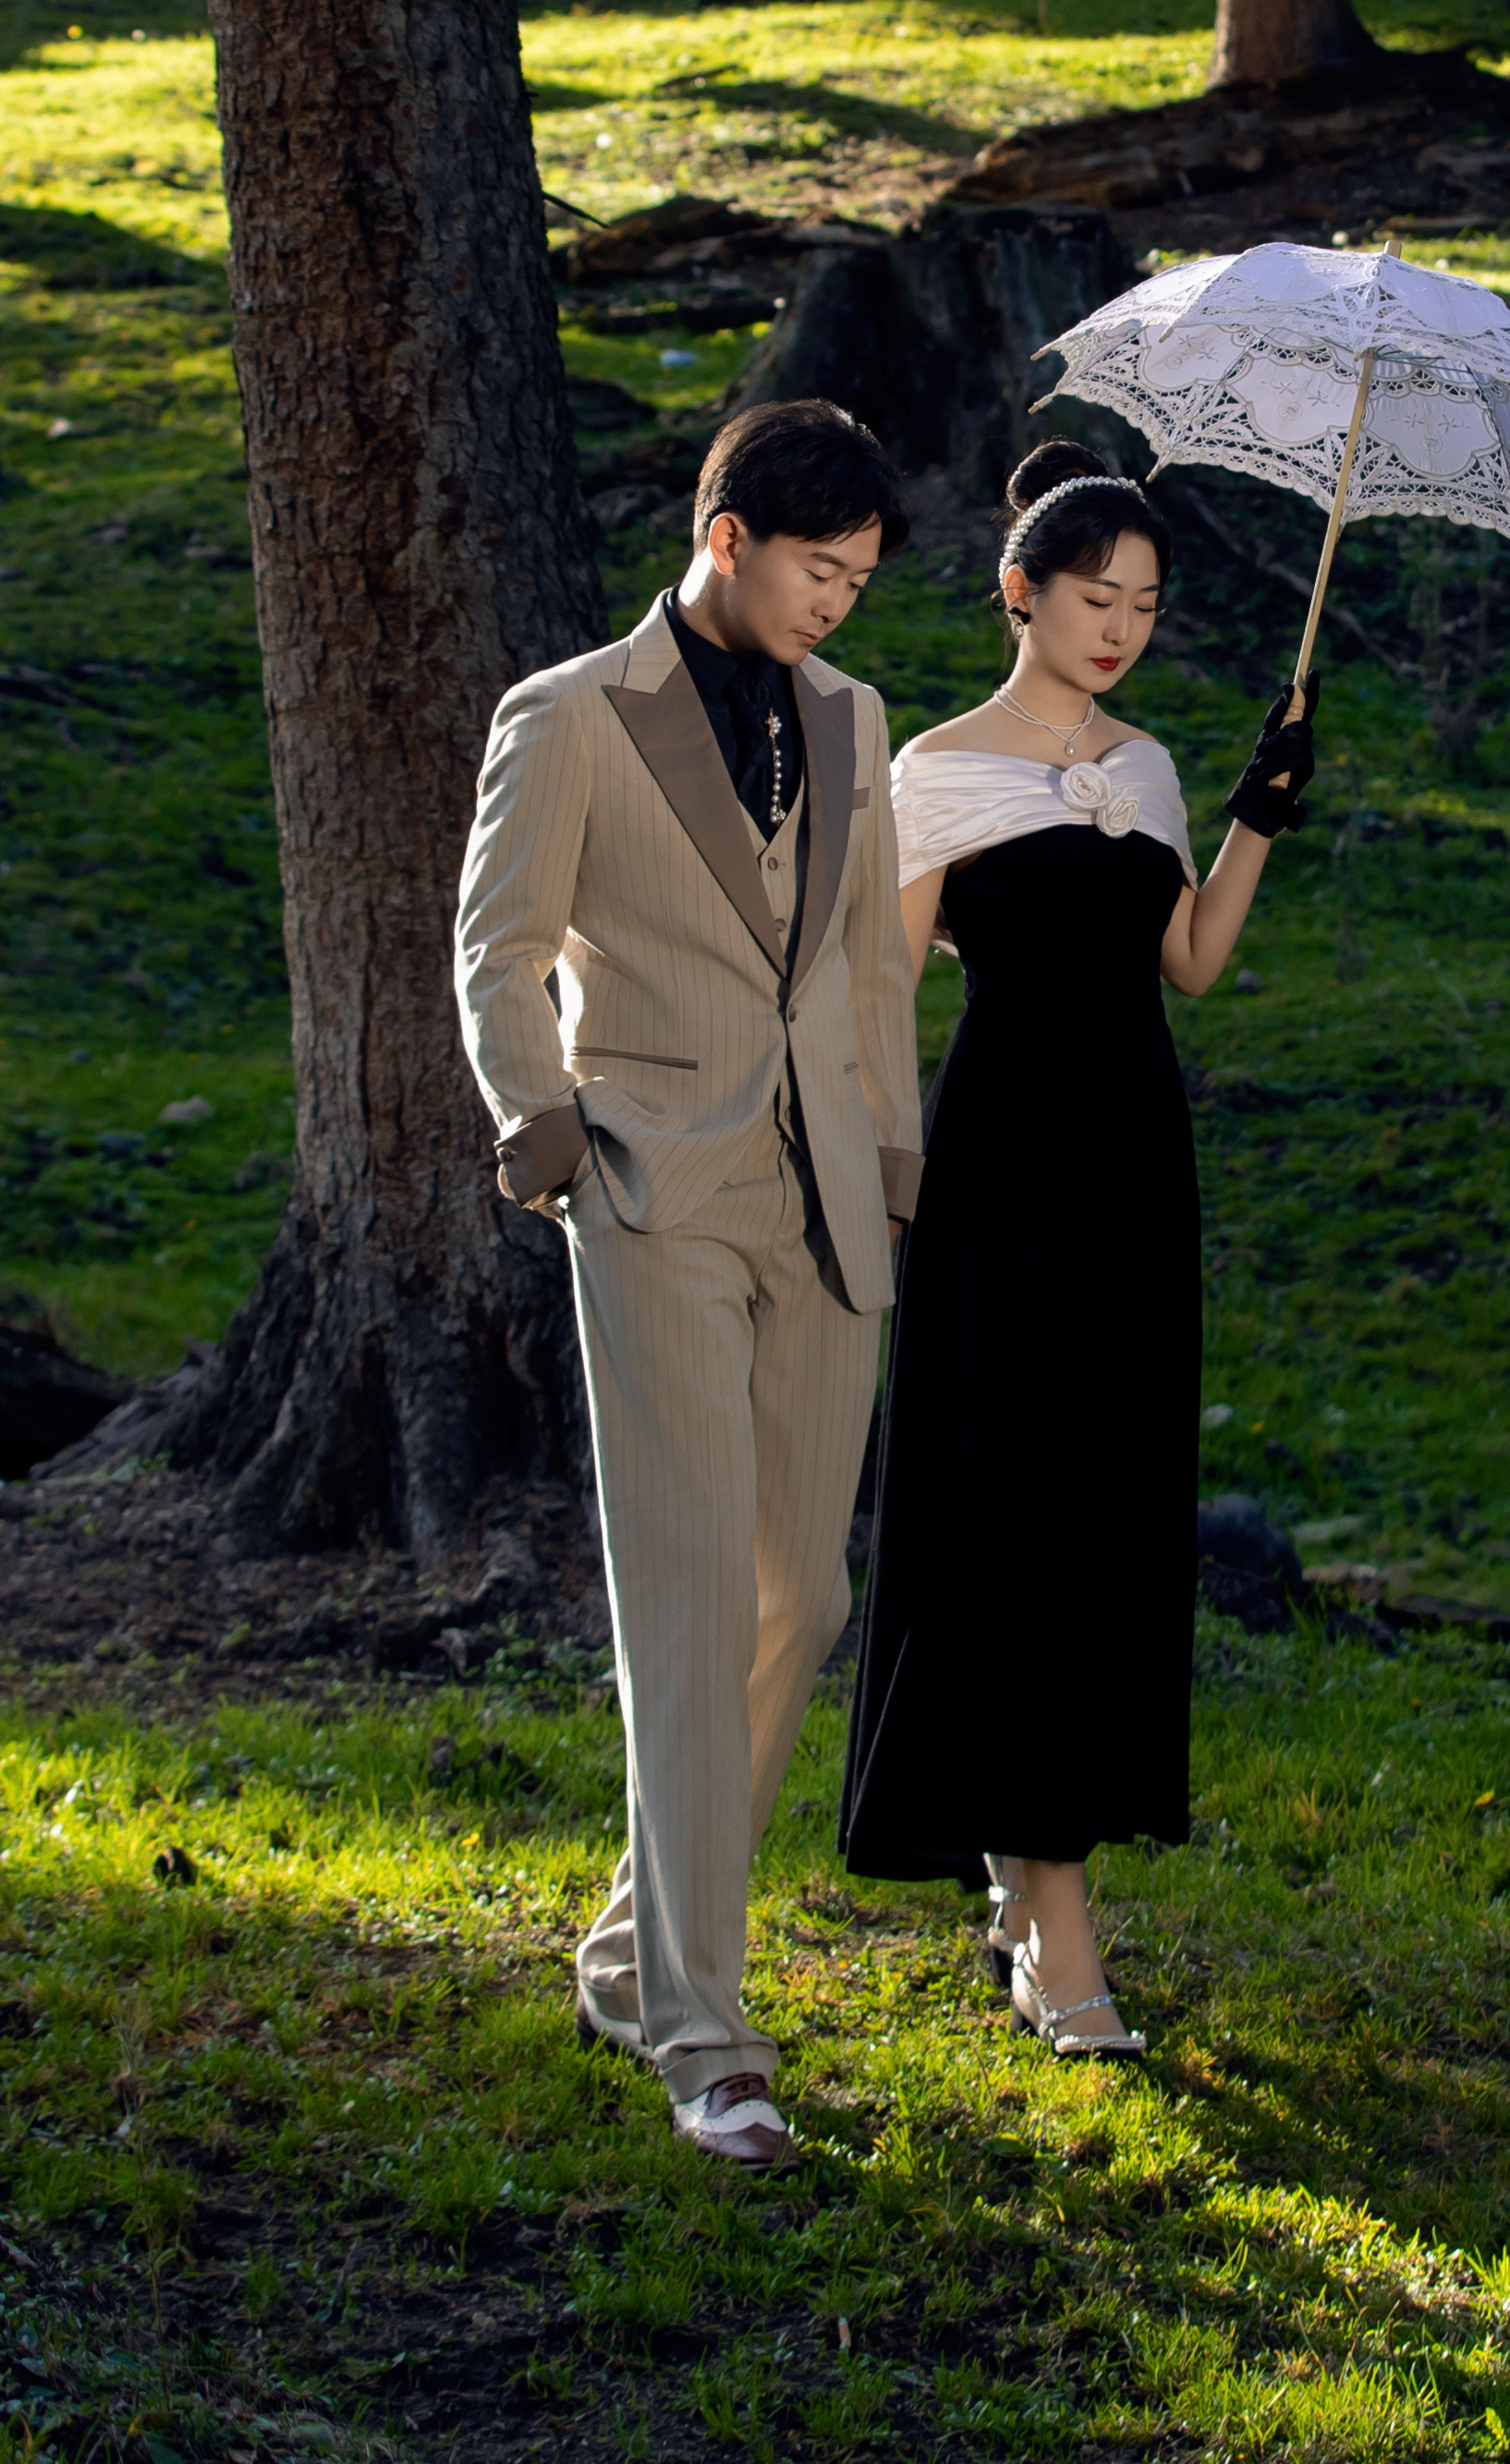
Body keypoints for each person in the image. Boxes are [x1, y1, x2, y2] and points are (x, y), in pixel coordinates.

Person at [457, 396, 924, 2169]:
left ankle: (623, 1951)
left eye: (864, 582)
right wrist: (549, 1133)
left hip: (828, 1207)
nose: (841, 609)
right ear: (728, 541)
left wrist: (893, 1160)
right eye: (822, 573)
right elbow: (494, 947)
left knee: (799, 1595)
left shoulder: (855, 717)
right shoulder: (567, 718)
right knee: (681, 1607)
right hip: (654, 1191)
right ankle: (707, 2039)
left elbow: (869, 965)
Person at [835, 441, 1315, 2053]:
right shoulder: (938, 768)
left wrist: (1255, 816)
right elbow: (888, 997)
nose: (1123, 627)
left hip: (1132, 1168)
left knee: (1098, 1519)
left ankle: (1030, 1876)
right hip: (998, 1170)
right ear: (1020, 593)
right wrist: (890, 1180)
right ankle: (1054, 1921)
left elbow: (1188, 965)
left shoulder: (1157, 770)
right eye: (1097, 596)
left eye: (1149, 605)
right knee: (1007, 1509)